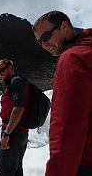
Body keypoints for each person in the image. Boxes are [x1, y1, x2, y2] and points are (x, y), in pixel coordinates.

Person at [33, 10, 92, 176]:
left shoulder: (72, 58)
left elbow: (67, 126)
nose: (44, 45)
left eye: (46, 36)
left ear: (65, 26)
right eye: (40, 42)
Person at [0, 59, 30, 176]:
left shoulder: (15, 81)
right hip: (18, 131)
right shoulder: (16, 82)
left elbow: (19, 108)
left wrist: (7, 134)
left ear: (10, 67)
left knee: (5, 171)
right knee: (15, 168)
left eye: (2, 70)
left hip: (13, 132)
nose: (0, 73)